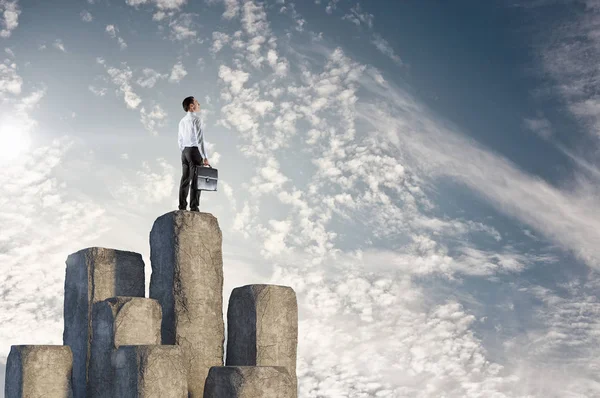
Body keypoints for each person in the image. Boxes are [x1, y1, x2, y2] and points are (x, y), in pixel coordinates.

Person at [178, 96, 210, 212]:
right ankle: (194, 207)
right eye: (197, 102)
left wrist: (184, 151)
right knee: (197, 180)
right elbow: (200, 139)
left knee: (185, 180)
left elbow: (180, 140)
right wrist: (205, 157)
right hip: (195, 151)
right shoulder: (196, 119)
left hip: (185, 152)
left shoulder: (182, 121)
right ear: (191, 106)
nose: (199, 104)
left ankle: (182, 206)